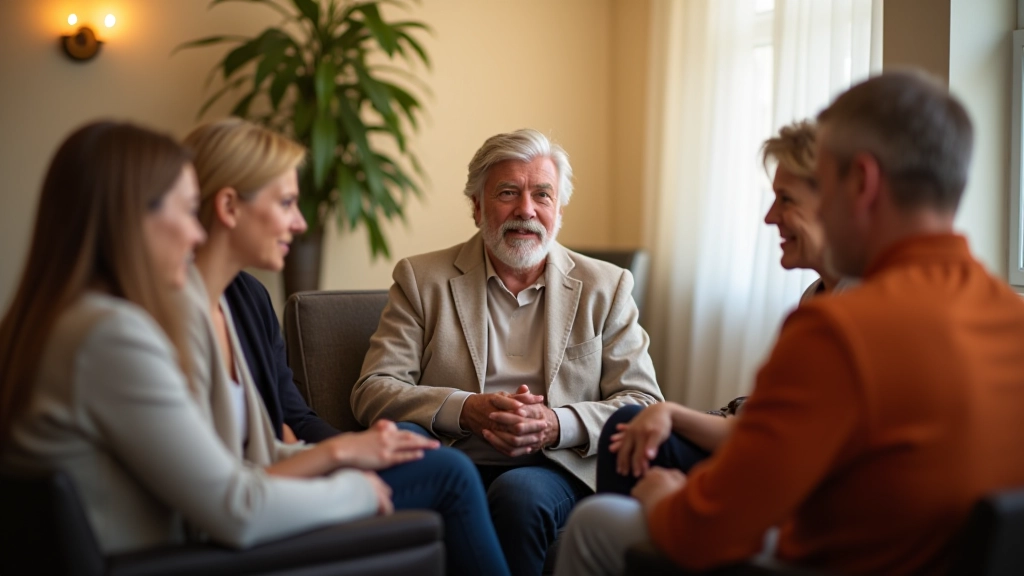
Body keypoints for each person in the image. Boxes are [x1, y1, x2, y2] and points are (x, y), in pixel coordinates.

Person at [557, 70, 1024, 576]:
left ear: (861, 182)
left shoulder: (839, 330)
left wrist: (666, 498)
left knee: (596, 521)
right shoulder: (1011, 316)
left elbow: (704, 532)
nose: (769, 219)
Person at [0, 121, 387, 555]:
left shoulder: (62, 322)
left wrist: (338, 457)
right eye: (187, 210)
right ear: (133, 216)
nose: (199, 233)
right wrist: (358, 492)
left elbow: (226, 470)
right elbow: (236, 510)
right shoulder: (109, 336)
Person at [183, 117, 510, 576]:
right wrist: (344, 461)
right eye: (286, 202)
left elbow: (289, 420)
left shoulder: (245, 298)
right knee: (446, 470)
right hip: (228, 519)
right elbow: (224, 493)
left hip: (265, 485)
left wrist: (357, 452)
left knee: (428, 458)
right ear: (229, 206)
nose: (300, 223)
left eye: (542, 194)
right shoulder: (158, 320)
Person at [351, 128, 664, 575]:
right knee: (422, 464)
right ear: (477, 207)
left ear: (558, 209)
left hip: (557, 465)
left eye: (542, 194)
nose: (526, 210)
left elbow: (645, 402)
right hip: (454, 456)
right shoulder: (422, 280)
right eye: (507, 193)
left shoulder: (607, 287)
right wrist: (465, 409)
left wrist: (557, 423)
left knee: (519, 496)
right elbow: (373, 389)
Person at [594, 120, 857, 496]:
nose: (770, 217)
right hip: (762, 447)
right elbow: (770, 430)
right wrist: (669, 413)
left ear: (832, 202)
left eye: (787, 199)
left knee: (613, 474)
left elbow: (784, 450)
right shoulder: (816, 297)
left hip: (797, 492)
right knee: (630, 424)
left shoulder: (857, 315)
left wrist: (667, 502)